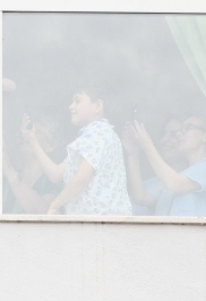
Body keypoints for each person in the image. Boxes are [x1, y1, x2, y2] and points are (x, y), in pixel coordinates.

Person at [24, 84, 132, 216]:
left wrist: (55, 204)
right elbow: (56, 175)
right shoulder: (90, 136)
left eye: (77, 101)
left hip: (100, 223)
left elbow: (81, 179)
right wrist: (32, 140)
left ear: (97, 106)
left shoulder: (98, 132)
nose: (71, 106)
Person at [125, 115, 206, 216]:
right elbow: (141, 198)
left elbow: (174, 183)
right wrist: (133, 154)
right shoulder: (179, 177)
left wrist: (147, 145)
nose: (179, 134)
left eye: (186, 128)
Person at [121, 117, 187, 215]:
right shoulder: (149, 183)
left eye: (174, 134)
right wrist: (133, 153)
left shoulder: (190, 181)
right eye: (163, 134)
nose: (165, 139)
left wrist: (147, 145)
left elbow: (141, 198)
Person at [3, 114, 63, 214]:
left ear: (51, 145)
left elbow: (45, 213)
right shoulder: (3, 177)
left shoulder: (56, 180)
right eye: (24, 131)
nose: (25, 135)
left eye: (35, 132)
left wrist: (7, 166)